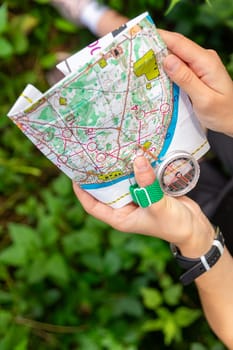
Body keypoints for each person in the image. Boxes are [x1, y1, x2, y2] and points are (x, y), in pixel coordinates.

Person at [51, 2, 233, 347]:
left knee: (141, 149)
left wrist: (196, 240)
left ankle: (77, 91)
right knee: (164, 68)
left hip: (219, 229)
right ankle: (95, 18)